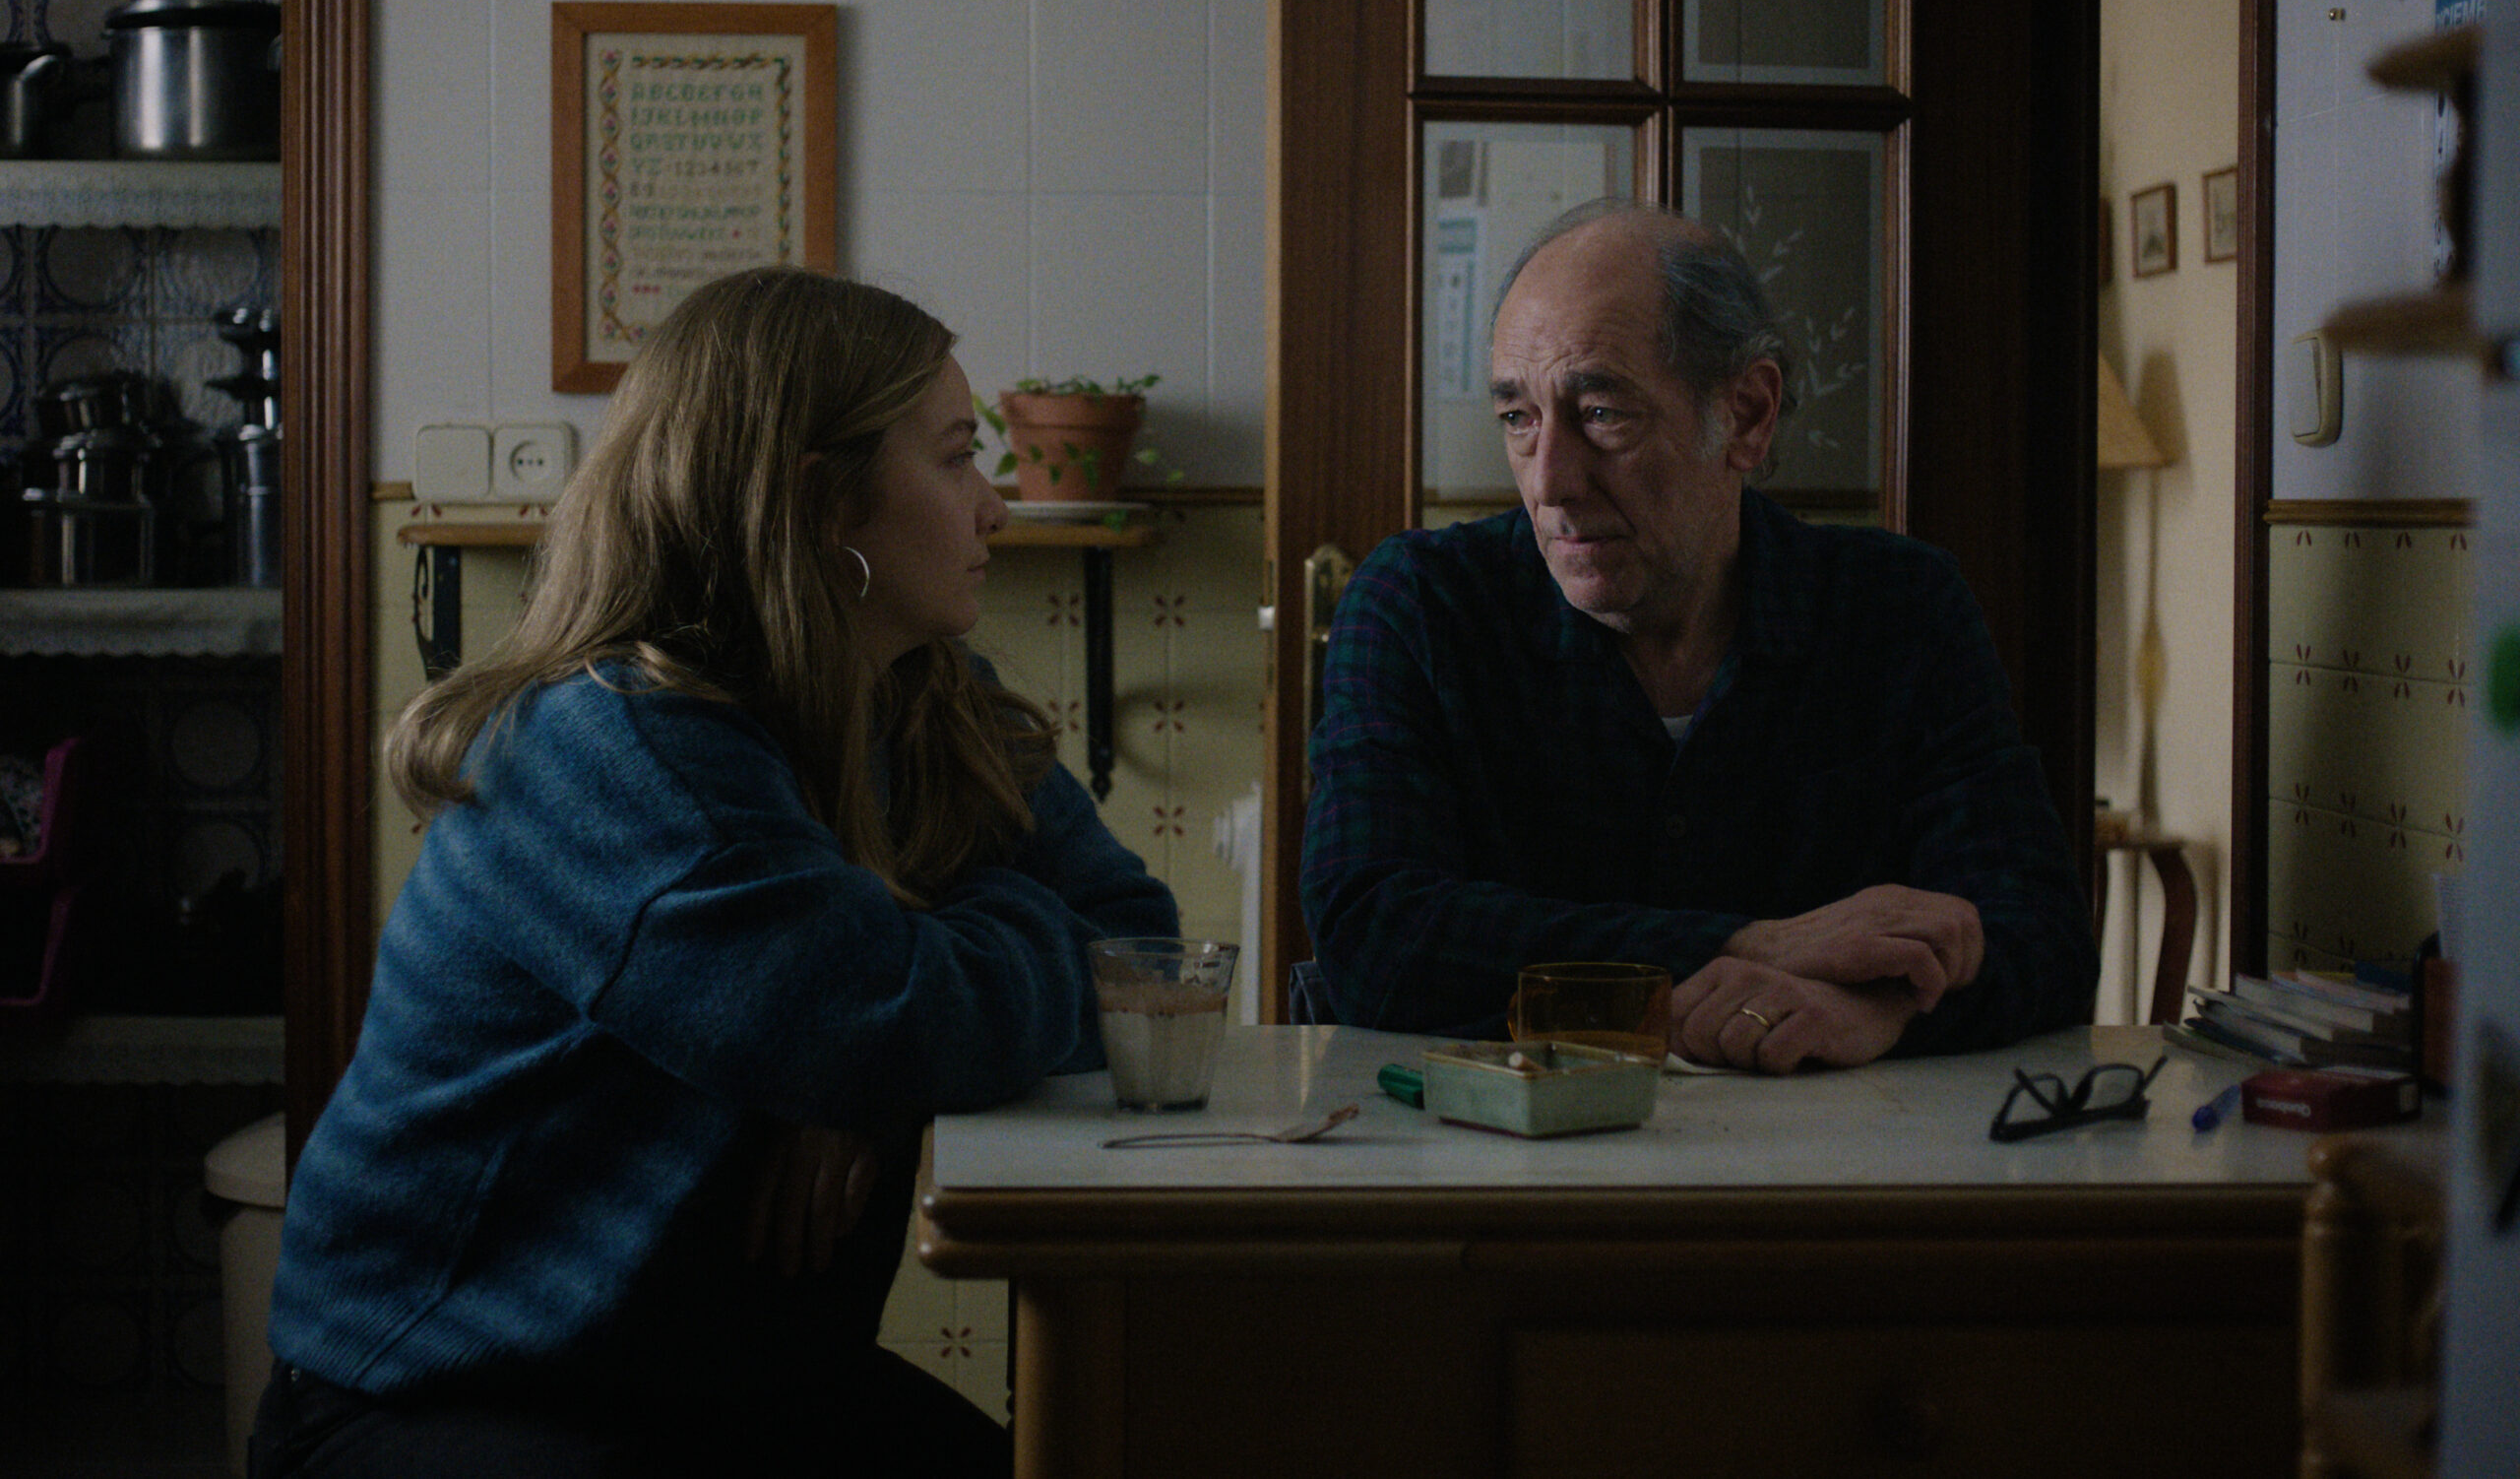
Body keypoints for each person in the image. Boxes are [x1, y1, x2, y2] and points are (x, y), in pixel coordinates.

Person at [251, 266, 1179, 1478]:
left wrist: (863, 1063)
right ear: (821, 502)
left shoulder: (931, 703)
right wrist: (875, 1026)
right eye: (957, 458)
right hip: (449, 1396)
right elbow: (871, 1016)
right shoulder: (613, 742)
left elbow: (1137, 946)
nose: (992, 507)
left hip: (723, 1383)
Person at [1299, 201, 2094, 1073]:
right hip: (1492, 1151)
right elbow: (1373, 932)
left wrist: (1880, 1009)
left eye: (1601, 412)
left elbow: (2039, 929)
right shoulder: (1419, 606)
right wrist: (1750, 946)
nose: (1550, 482)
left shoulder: (1901, 611)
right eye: (1519, 418)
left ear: (1747, 415)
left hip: (1829, 1147)